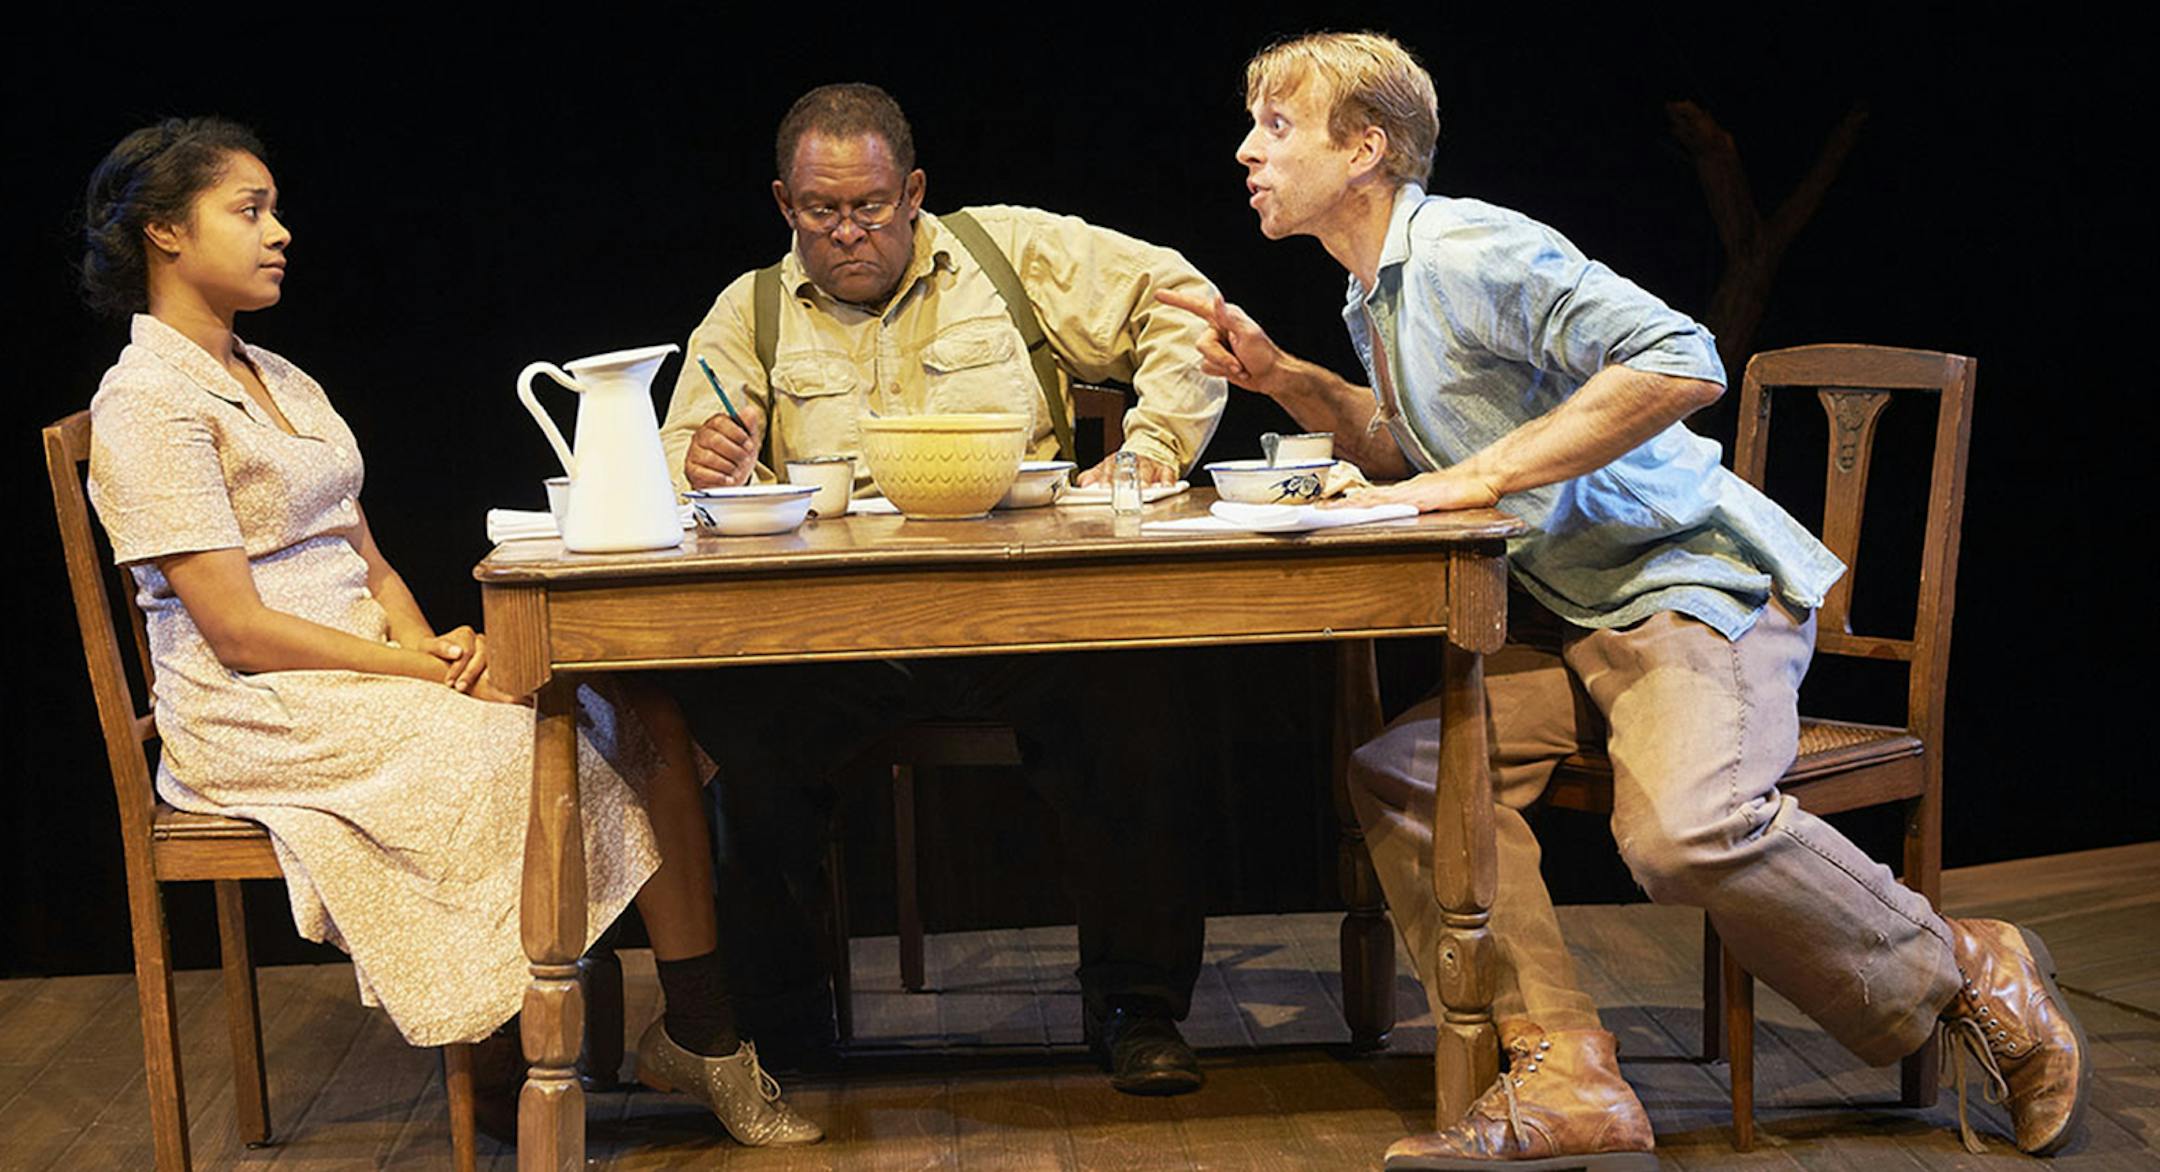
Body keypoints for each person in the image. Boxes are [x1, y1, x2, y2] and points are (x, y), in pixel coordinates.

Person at [1158, 32, 2088, 1168]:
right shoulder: (1378, 287)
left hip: (1692, 589)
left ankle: (1968, 965)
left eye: (1277, 126)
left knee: (1683, 832)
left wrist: (1491, 474)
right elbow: (1406, 446)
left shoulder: (1464, 247)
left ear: (1367, 148)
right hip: (1587, 618)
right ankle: (1565, 1071)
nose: (1248, 151)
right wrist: (1288, 378)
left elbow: (1682, 356)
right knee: (1402, 774)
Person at [78, 117, 818, 1148]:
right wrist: (412, 668)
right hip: (257, 708)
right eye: (248, 211)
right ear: (163, 231)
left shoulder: (279, 376)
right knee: (536, 756)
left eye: (275, 208)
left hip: (362, 671)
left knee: (633, 707)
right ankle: (514, 1051)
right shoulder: (148, 402)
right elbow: (239, 631)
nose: (279, 231)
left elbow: (368, 560)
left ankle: (701, 1032)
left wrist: (439, 648)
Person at [655, 83, 1225, 1094]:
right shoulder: (749, 314)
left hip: (1023, 614)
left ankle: (1137, 1008)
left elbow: (1180, 298)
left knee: (1139, 695)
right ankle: (785, 1024)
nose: (847, 232)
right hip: (840, 634)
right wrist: (700, 466)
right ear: (784, 204)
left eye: (870, 206)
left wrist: (1150, 450)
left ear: (913, 190)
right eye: (821, 211)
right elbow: (674, 458)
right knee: (735, 733)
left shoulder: (1007, 256)